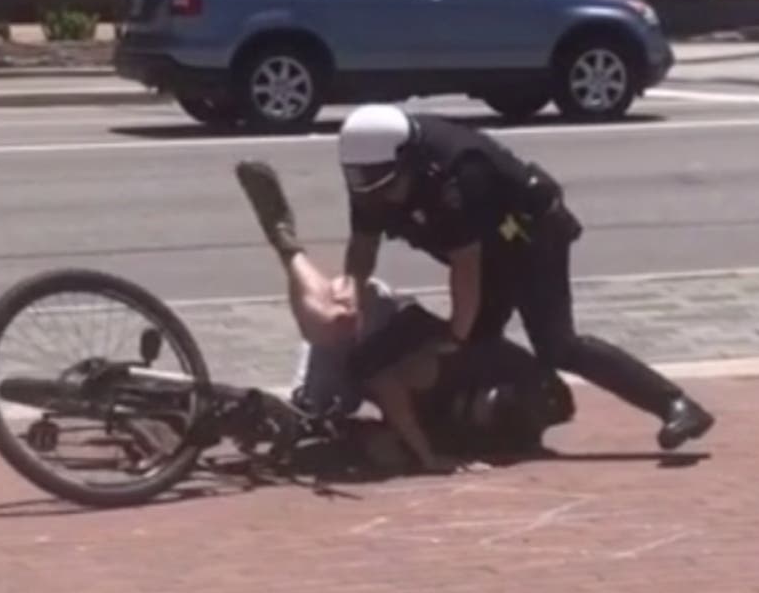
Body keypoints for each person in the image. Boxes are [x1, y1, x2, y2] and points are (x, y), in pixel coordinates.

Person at [332, 104, 715, 453]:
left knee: (557, 344)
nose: (378, 198)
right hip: (488, 249)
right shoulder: (372, 175)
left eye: (386, 187)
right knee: (469, 343)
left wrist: (456, 335)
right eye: (366, 189)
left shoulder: (459, 173)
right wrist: (351, 291)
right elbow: (363, 244)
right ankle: (494, 415)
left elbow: (467, 264)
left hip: (532, 237)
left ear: (412, 162)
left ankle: (676, 404)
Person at [233, 161, 573, 473]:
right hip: (375, 323)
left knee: (307, 418)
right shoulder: (472, 365)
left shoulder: (473, 431)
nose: (474, 413)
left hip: (353, 375)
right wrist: (426, 457)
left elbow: (382, 431)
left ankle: (207, 419)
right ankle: (284, 240)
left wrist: (401, 446)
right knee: (333, 322)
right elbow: (387, 380)